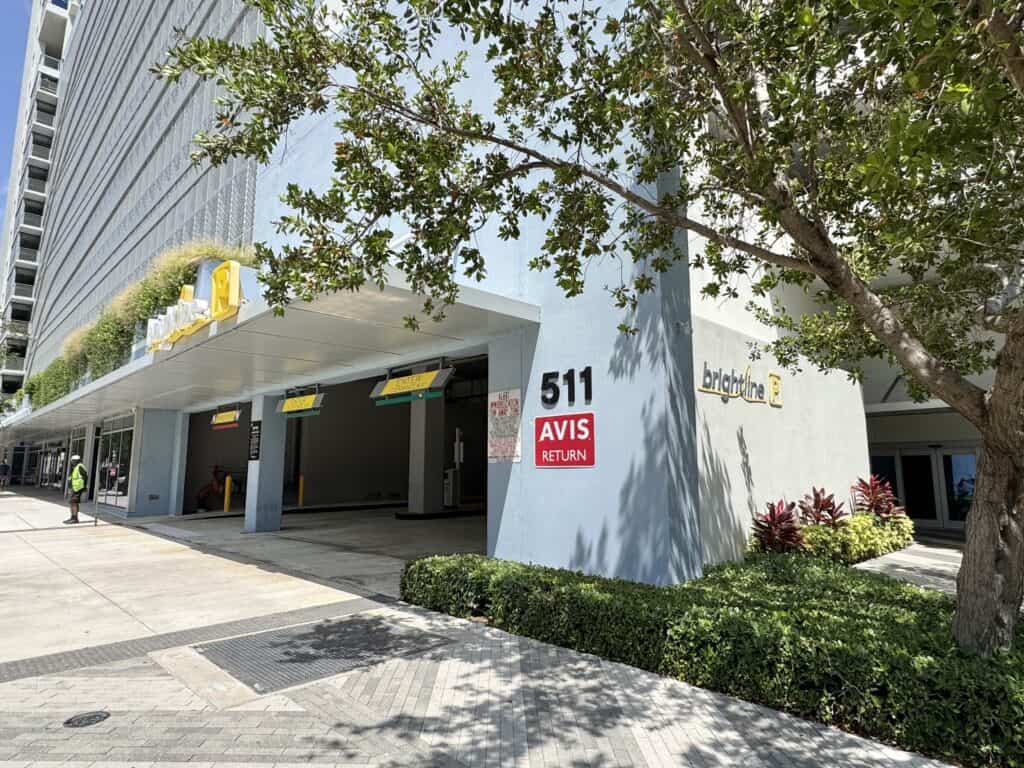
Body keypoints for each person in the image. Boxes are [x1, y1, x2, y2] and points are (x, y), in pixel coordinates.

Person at [65, 455, 88, 525]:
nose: (72, 462)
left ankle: (75, 518)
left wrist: (84, 487)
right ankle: (73, 517)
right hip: (75, 488)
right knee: (73, 502)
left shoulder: (80, 466)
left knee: (74, 502)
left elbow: (85, 477)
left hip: (78, 488)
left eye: (73, 461)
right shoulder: (76, 467)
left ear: (76, 461)